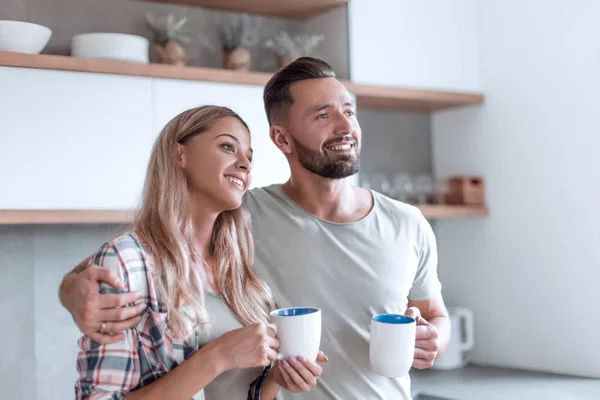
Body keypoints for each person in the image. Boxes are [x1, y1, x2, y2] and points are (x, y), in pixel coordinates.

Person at [61, 58, 450, 400]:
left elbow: (435, 315)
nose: (344, 125)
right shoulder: (242, 214)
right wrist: (73, 290)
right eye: (322, 115)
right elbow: (133, 258)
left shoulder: (408, 222)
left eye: (349, 111)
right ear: (282, 138)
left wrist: (436, 339)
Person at [69, 105, 324, 400]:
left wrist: (274, 379)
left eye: (250, 157)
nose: (245, 164)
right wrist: (218, 356)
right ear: (180, 155)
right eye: (228, 147)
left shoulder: (238, 267)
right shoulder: (128, 261)